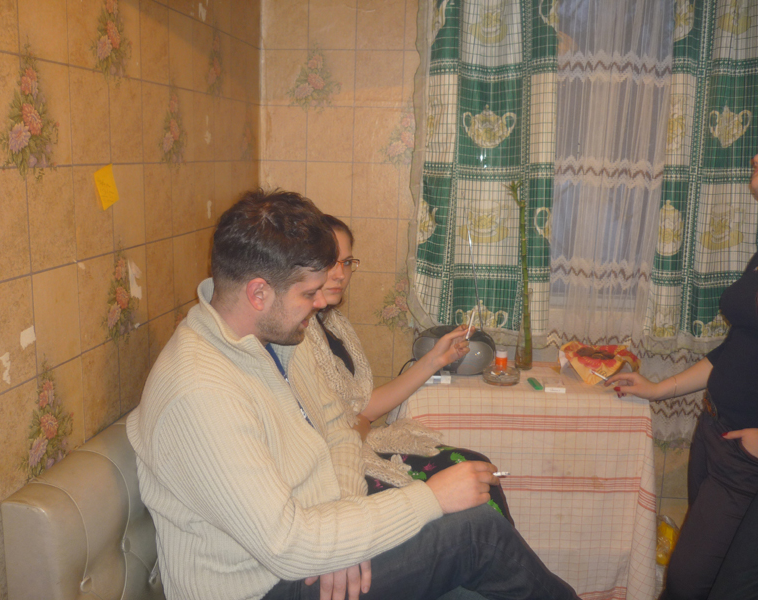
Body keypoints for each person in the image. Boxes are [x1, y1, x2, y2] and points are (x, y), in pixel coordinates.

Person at [127, 189, 579, 600]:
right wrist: (431, 498)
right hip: (264, 586)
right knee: (478, 533)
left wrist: (345, 535)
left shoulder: (275, 340)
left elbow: (339, 430)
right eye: (309, 293)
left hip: (312, 546)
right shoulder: (200, 393)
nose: (322, 302)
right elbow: (288, 545)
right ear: (258, 293)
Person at [606, 154, 758, 600]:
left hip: (746, 456)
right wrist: (658, 389)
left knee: (691, 581)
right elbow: (736, 350)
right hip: (713, 432)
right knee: (714, 581)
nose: (753, 157)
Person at [307, 214, 513, 523]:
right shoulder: (296, 338)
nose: (340, 274)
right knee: (473, 506)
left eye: (347, 262)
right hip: (337, 473)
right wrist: (358, 425)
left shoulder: (334, 324)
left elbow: (365, 409)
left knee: (478, 469)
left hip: (360, 444)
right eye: (328, 262)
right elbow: (332, 433)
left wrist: (436, 359)